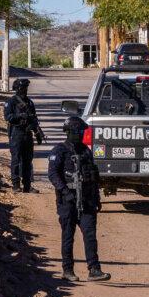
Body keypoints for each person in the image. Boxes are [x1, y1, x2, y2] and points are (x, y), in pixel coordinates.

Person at [47, 116, 109, 282]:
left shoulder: (86, 151)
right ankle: (67, 270)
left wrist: (96, 198)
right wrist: (65, 191)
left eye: (82, 132)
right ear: (68, 132)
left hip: (87, 200)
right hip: (68, 201)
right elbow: (53, 174)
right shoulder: (59, 151)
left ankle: (94, 269)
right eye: (77, 132)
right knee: (68, 236)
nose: (81, 135)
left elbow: (93, 176)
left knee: (90, 235)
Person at [3, 78, 44, 192]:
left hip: (27, 134)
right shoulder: (11, 102)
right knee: (16, 159)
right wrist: (20, 116)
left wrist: (37, 133)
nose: (25, 90)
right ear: (17, 89)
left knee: (27, 160)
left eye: (26, 88)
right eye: (23, 88)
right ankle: (16, 185)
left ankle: (27, 185)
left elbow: (34, 119)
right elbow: (8, 117)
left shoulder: (29, 102)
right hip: (16, 133)